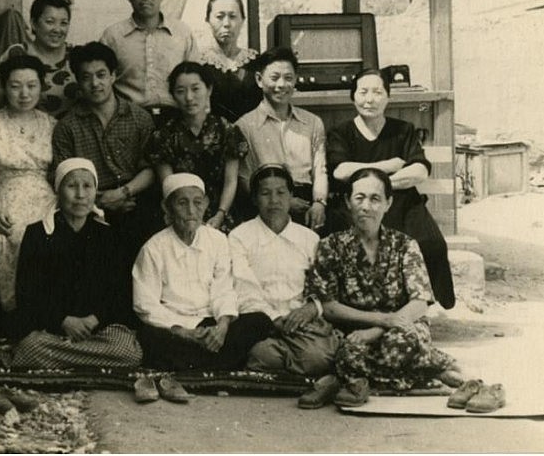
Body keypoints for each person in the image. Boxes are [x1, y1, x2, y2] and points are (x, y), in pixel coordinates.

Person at [304, 168, 463, 408]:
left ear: (388, 203)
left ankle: (353, 381)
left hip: (401, 327)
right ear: (348, 202)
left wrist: (379, 328)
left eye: (375, 198)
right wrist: (379, 321)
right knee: (347, 352)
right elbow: (329, 307)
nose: (366, 206)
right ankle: (429, 371)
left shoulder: (405, 245)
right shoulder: (330, 246)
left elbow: (420, 301)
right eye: (359, 198)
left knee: (402, 342)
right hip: (354, 328)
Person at [325, 68, 455, 308]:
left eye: (377, 92)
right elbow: (341, 171)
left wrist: (372, 181)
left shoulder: (402, 130)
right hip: (357, 205)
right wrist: (389, 166)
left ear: (388, 97)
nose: (369, 99)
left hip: (402, 203)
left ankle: (419, 307)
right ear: (353, 96)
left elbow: (419, 170)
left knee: (430, 242)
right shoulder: (341, 132)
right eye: (363, 92)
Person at [132, 173, 273, 372]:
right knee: (149, 336)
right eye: (182, 203)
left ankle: (190, 366)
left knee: (259, 321)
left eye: (197, 203)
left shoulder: (217, 240)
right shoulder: (153, 248)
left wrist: (222, 328)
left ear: (206, 205)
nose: (191, 211)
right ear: (167, 207)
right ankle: (216, 364)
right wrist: (184, 332)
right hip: (175, 327)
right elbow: (145, 304)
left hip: (210, 324)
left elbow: (223, 289)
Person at [10, 158, 142, 370]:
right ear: (58, 191)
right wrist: (63, 320)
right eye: (72, 186)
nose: (80, 195)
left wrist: (94, 319)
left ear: (95, 191)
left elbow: (119, 291)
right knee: (30, 347)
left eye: (87, 186)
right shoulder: (37, 234)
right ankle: (93, 359)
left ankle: (65, 358)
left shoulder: (109, 235)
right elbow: (27, 292)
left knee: (128, 352)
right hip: (53, 329)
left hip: (98, 330)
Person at [52, 41, 161, 275]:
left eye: (101, 75)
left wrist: (123, 194)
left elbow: (151, 168)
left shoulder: (139, 118)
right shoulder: (67, 126)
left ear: (113, 76)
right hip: (88, 204)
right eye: (86, 77)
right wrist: (100, 200)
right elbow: (63, 179)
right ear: (79, 82)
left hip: (135, 198)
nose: (95, 84)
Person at [230, 164, 339, 377]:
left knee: (317, 357)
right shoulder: (239, 236)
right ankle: (289, 362)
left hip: (300, 322)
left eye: (281, 193)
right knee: (261, 352)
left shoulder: (309, 239)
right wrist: (274, 318)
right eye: (265, 193)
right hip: (260, 322)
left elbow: (323, 288)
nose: (274, 201)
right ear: (254, 199)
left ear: (291, 196)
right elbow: (244, 288)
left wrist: (311, 308)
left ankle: (282, 363)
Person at [0, 55, 57, 313]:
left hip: (46, 196)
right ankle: (20, 314)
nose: (24, 93)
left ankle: (50, 313)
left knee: (53, 238)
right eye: (15, 86)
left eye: (32, 85)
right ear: (4, 87)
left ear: (42, 87)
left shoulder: (52, 125)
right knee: (17, 238)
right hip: (5, 197)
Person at [147, 62, 248, 232]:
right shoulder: (164, 135)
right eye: (180, 91)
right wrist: (188, 217)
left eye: (195, 89)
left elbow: (231, 181)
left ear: (208, 90)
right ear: (172, 95)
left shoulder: (226, 130)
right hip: (179, 214)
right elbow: (169, 185)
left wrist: (220, 215)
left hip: (222, 213)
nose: (189, 97)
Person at [235, 47, 328, 230]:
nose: (281, 85)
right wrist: (283, 201)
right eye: (274, 77)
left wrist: (319, 203)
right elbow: (244, 179)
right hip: (267, 202)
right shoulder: (244, 125)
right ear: (259, 80)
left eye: (288, 78)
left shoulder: (312, 122)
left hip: (308, 201)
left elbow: (320, 170)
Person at [100, 0, 199, 113]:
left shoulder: (183, 33)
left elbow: (196, 82)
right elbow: (103, 84)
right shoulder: (112, 36)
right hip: (128, 120)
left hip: (176, 119)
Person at [0, 0, 79, 124]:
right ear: (33, 23)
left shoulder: (77, 56)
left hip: (70, 137)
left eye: (64, 23)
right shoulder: (16, 53)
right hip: (26, 135)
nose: (57, 29)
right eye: (50, 22)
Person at [199, 0, 260, 122]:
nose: (226, 23)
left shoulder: (256, 63)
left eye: (233, 16)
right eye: (219, 16)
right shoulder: (198, 63)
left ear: (243, 21)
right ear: (208, 20)